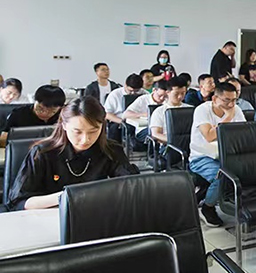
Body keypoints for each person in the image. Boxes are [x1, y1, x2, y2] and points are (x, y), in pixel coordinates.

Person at [6, 96, 138, 211]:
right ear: (64, 125)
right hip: (49, 217)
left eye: (93, 131)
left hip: (96, 216)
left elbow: (133, 186)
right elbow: (18, 201)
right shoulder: (43, 153)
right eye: (77, 132)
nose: (85, 139)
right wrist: (66, 197)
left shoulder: (111, 150)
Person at [189, 82, 246, 226]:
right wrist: (228, 117)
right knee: (222, 176)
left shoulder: (236, 109)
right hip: (202, 157)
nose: (231, 104)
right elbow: (209, 136)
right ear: (214, 99)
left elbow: (243, 134)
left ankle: (244, 207)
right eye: (227, 100)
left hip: (228, 155)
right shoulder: (202, 110)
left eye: (234, 100)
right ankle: (207, 207)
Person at [1, 85, 66, 147]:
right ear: (35, 100)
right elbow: (3, 139)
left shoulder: (64, 115)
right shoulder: (18, 114)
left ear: (60, 108)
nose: (44, 114)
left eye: (52, 111)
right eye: (40, 109)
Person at [123, 80, 169, 145]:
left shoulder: (168, 101)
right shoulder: (143, 99)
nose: (162, 98)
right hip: (144, 129)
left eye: (165, 96)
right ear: (154, 90)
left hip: (163, 129)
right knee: (156, 134)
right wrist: (143, 114)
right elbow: (125, 114)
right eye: (160, 95)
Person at [149, 77, 190, 145]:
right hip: (169, 145)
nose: (180, 96)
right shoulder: (159, 111)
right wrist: (174, 140)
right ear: (168, 92)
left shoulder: (190, 109)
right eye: (176, 94)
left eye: (183, 93)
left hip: (190, 145)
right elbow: (155, 134)